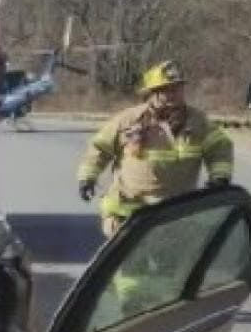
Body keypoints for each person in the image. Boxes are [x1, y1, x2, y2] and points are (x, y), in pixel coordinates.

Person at [78, 60, 233, 236]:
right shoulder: (129, 120)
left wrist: (220, 178)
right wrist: (87, 178)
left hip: (177, 213)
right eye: (166, 89)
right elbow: (99, 148)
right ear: (152, 93)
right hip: (128, 215)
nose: (173, 93)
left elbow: (220, 146)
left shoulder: (198, 122)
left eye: (177, 88)